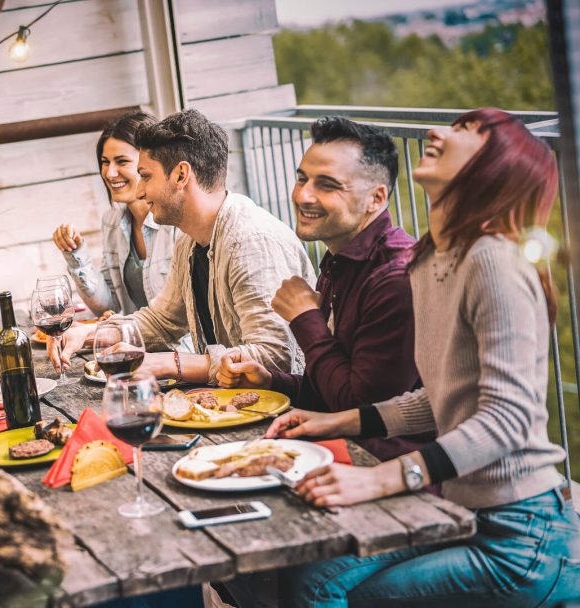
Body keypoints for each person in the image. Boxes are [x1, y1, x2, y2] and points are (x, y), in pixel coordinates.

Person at [264, 109, 579, 606]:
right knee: (303, 575)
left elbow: (508, 418)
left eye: (464, 133)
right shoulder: (433, 258)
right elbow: (444, 398)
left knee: (324, 588)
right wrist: (335, 422)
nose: (436, 132)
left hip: (520, 534)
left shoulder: (494, 259)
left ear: (495, 169)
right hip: (464, 509)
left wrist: (381, 478)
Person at [216, 117, 430, 463]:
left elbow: (358, 410)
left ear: (376, 198)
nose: (303, 195)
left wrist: (305, 319)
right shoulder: (340, 259)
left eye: (327, 185)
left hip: (388, 469)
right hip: (342, 452)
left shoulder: (396, 279)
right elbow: (329, 391)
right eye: (302, 178)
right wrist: (271, 383)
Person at [50, 110, 316, 382]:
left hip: (287, 411)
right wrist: (89, 333)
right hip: (229, 402)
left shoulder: (252, 241)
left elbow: (275, 356)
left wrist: (167, 364)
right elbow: (161, 321)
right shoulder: (189, 240)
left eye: (146, 176)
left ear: (180, 175)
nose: (140, 191)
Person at [51, 111, 180, 316]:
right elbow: (109, 306)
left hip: (180, 347)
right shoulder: (112, 221)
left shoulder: (177, 225)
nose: (110, 173)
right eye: (105, 162)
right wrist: (76, 255)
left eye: (121, 161)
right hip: (136, 343)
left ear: (148, 163)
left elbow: (181, 319)